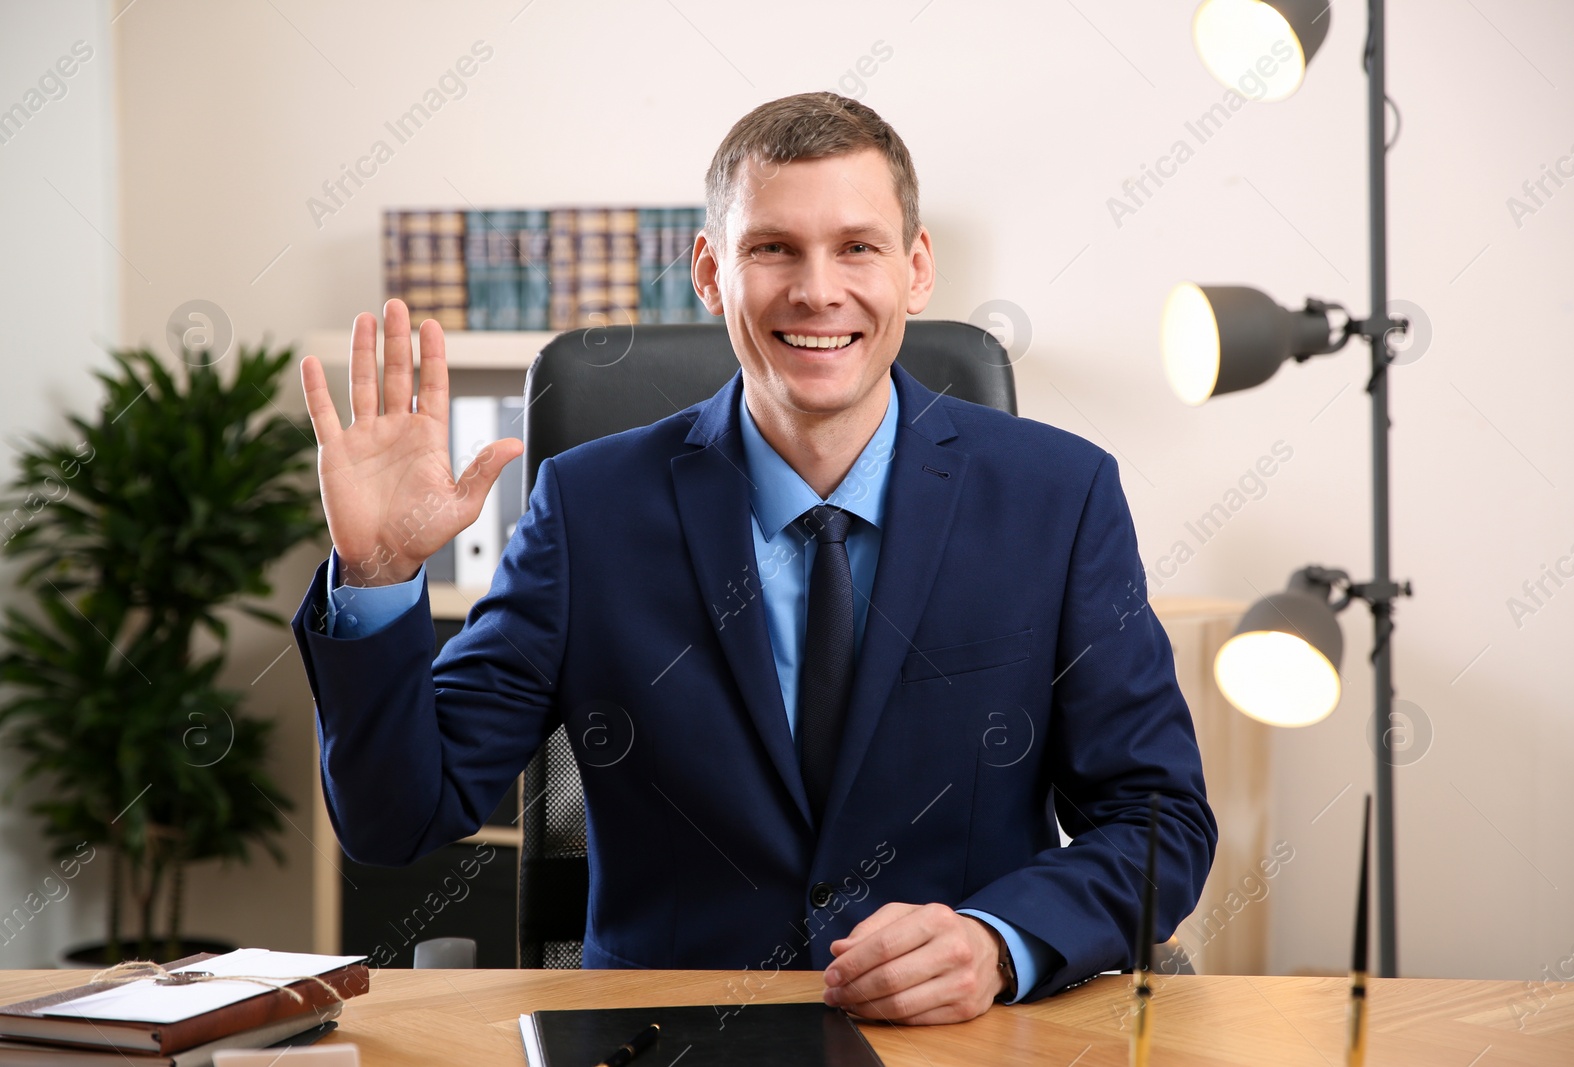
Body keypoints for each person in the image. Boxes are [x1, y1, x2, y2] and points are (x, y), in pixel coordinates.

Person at [291, 91, 1216, 1025]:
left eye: (858, 245)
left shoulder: (1059, 496)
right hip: (665, 1041)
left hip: (956, 1039)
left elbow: (1158, 822)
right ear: (709, 271)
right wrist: (375, 575)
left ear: (917, 267)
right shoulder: (588, 509)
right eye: (773, 247)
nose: (818, 290)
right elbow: (397, 821)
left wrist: (997, 941)